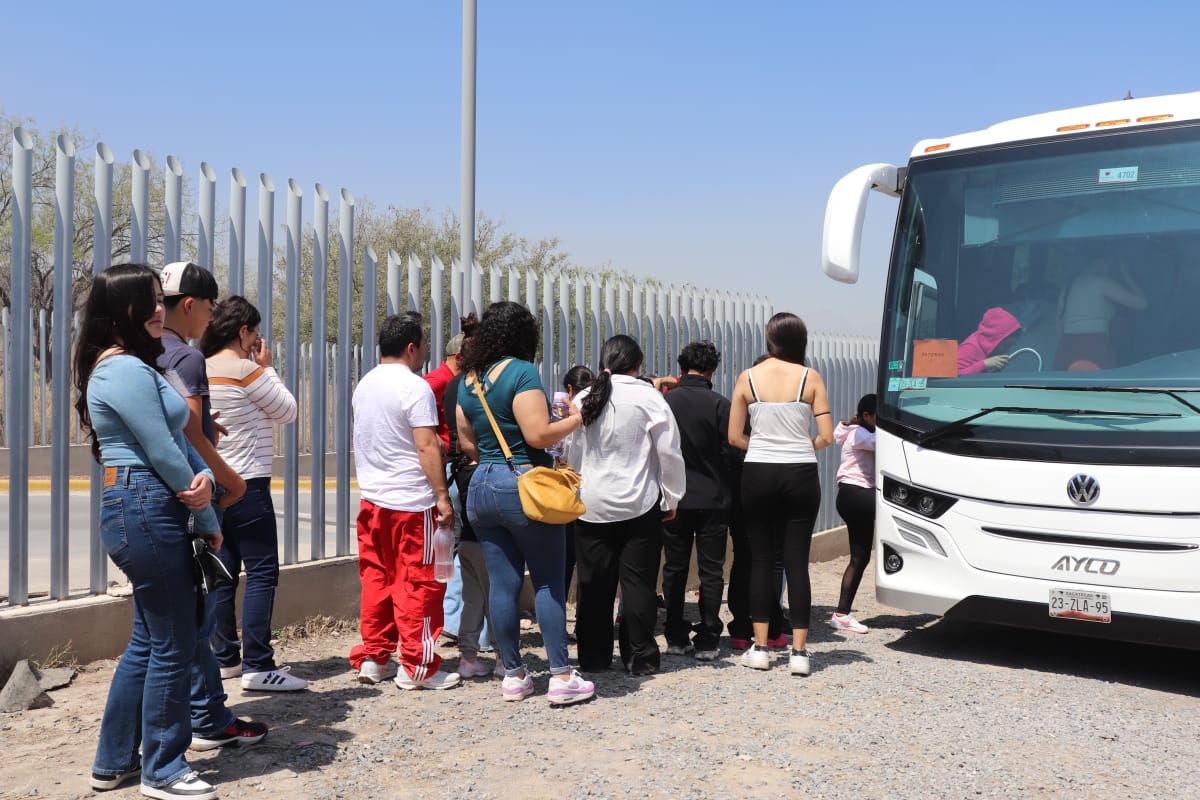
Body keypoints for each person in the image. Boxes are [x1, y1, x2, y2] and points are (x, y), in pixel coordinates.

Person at [77, 263, 223, 800]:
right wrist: (204, 511)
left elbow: (176, 441)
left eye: (162, 299)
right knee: (174, 641)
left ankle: (114, 763)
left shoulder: (136, 365)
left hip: (148, 502)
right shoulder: (121, 369)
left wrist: (206, 489)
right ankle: (163, 768)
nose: (161, 310)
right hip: (144, 503)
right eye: (150, 301)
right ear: (122, 309)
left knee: (150, 639)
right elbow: (161, 448)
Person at [455, 301, 595, 704]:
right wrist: (577, 418)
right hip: (523, 484)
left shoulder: (470, 379)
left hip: (481, 486)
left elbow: (467, 442)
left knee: (503, 583)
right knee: (548, 580)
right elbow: (537, 435)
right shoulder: (522, 372)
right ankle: (561, 676)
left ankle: (514, 675)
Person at [157, 261, 267, 751]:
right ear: (189, 304)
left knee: (168, 625)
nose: (211, 317)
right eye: (208, 306)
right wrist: (232, 484)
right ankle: (204, 719)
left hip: (155, 497)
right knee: (195, 614)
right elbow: (193, 436)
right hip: (195, 495)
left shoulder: (144, 352)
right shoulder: (187, 357)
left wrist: (204, 427)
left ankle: (194, 718)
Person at [348, 312, 461, 690]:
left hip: (373, 501)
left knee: (377, 579)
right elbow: (425, 445)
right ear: (411, 348)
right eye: (425, 345)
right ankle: (417, 666)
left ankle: (375, 657)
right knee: (420, 583)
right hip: (412, 503)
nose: (426, 352)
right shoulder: (415, 387)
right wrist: (442, 497)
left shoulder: (365, 384)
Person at [200, 296, 305, 691]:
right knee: (261, 572)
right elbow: (288, 411)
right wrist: (268, 367)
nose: (258, 341)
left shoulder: (200, 367)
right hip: (249, 483)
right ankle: (259, 664)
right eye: (255, 333)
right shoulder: (247, 370)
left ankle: (225, 658)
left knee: (222, 575)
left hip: (213, 484)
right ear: (243, 332)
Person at [565, 335, 686, 677]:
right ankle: (640, 656)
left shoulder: (585, 397)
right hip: (639, 504)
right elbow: (669, 453)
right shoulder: (650, 397)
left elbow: (571, 451)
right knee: (638, 584)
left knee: (593, 584)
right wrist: (671, 496)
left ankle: (593, 657)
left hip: (591, 504)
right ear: (637, 364)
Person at [728, 312, 834, 676]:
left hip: (758, 472)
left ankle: (760, 648)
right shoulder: (810, 377)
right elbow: (827, 436)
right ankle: (800, 653)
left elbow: (734, 437)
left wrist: (762, 446)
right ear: (801, 341)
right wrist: (801, 447)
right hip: (800, 473)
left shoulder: (747, 377)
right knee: (796, 563)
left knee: (760, 560)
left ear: (769, 339)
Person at [661, 341, 732, 662]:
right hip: (714, 499)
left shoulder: (666, 402)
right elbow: (732, 453)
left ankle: (675, 635)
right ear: (712, 370)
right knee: (711, 571)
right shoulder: (721, 405)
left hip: (674, 498)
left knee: (674, 568)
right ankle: (708, 638)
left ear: (680, 368)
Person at [439, 315, 497, 679]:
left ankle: (469, 654)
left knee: (472, 573)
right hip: (490, 480)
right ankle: (505, 656)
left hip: (462, 479)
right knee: (499, 576)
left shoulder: (453, 386)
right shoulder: (490, 386)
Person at [428, 327, 468, 642]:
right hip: (446, 467)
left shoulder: (453, 381)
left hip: (450, 465)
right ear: (458, 356)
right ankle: (450, 617)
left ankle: (450, 617)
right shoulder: (438, 382)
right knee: (456, 544)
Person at [830, 394, 878, 635]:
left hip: (851, 496)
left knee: (860, 557)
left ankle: (842, 614)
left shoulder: (857, 430)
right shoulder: (859, 434)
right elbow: (885, 442)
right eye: (880, 417)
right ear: (866, 415)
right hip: (856, 494)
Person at [1055, 253, 1148, 370]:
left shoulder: (1068, 286)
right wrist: (1127, 274)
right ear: (1100, 261)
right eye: (1111, 263)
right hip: (1094, 347)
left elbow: (1059, 325)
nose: (1111, 269)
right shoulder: (1101, 283)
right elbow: (1141, 303)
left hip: (1066, 348)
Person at [560, 364, 595, 602]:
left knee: (564, 559)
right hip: (596, 492)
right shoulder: (602, 407)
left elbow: (560, 452)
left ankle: (559, 610)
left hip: (570, 491)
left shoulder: (568, 414)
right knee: (589, 563)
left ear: (570, 389)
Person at [957, 307, 1021, 374]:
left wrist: (994, 370)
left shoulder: (989, 350)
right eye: (1005, 346)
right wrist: (985, 364)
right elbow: (954, 376)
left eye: (1010, 346)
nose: (1007, 350)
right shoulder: (970, 347)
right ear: (994, 339)